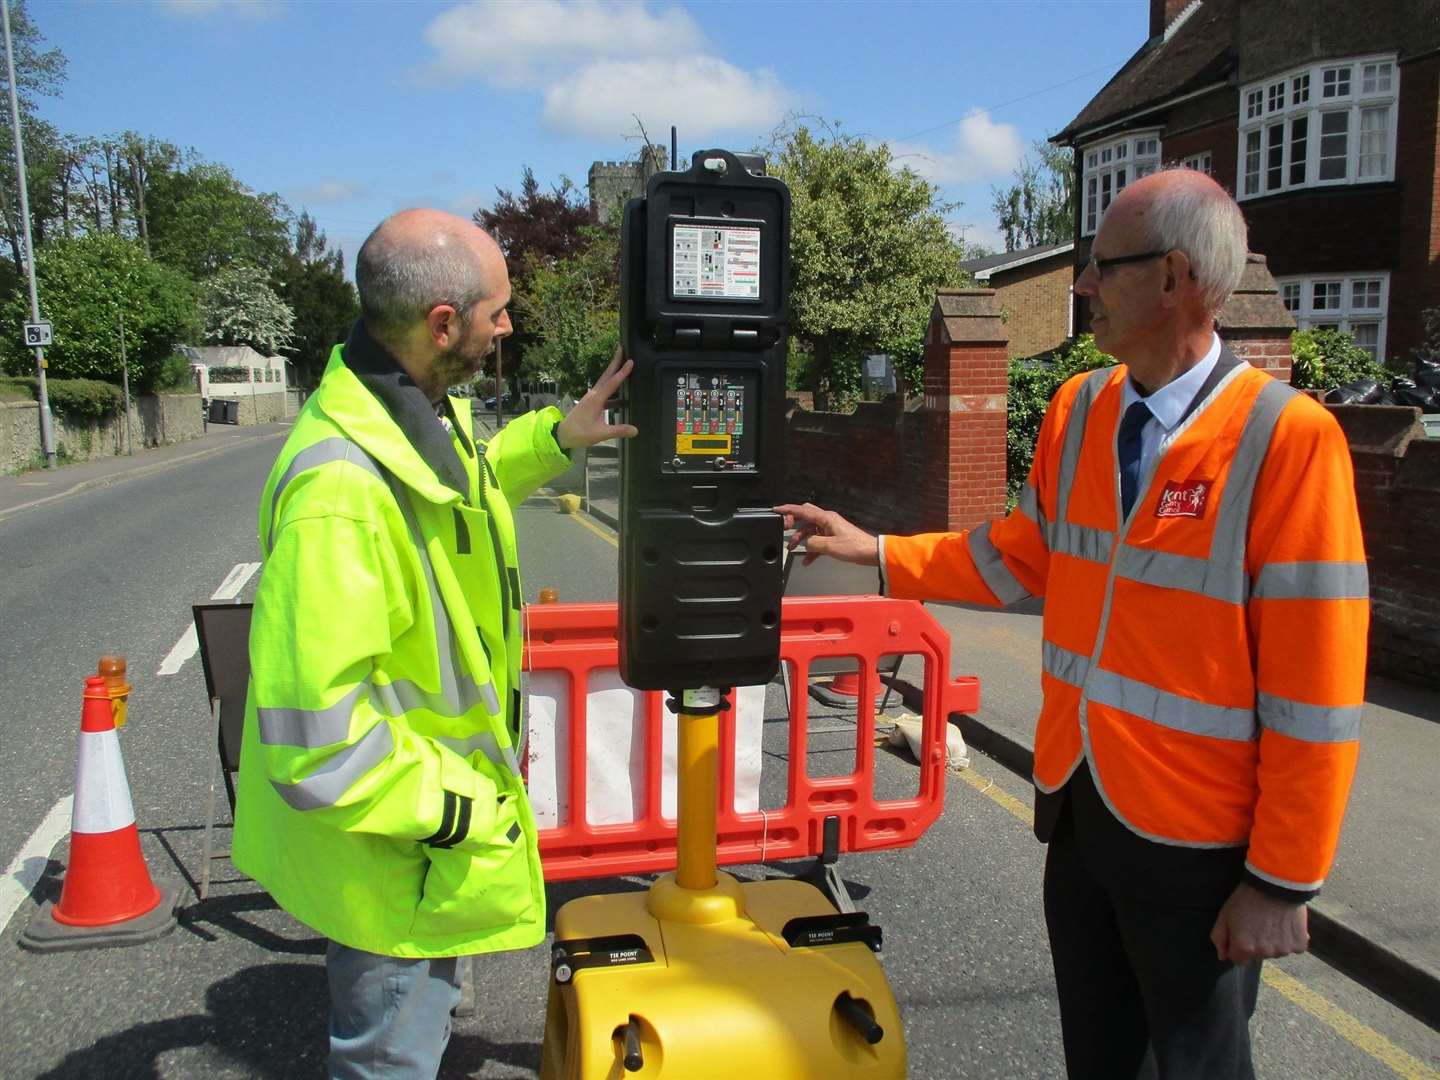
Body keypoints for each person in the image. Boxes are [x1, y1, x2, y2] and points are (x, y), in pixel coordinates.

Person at [778, 168, 1367, 1080]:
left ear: (1174, 279)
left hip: (1201, 843)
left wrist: (1282, 880)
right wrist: (879, 553)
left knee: (1198, 1067)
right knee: (1098, 1055)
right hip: (1083, 808)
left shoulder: (1286, 440)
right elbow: (1021, 558)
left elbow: (1318, 689)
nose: (1082, 286)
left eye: (1103, 266)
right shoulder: (1080, 408)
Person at [231, 209, 637, 1078]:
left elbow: (465, 489)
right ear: (442, 323)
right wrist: (457, 813)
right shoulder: (342, 489)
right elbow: (317, 742)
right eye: (498, 309)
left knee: (415, 1025)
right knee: (389, 1055)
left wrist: (559, 436)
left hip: (416, 835)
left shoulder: (408, 410)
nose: (509, 326)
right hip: (396, 845)